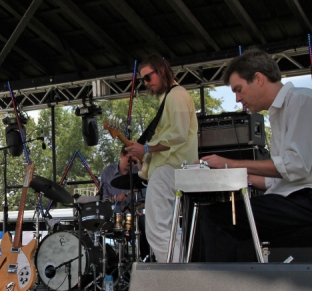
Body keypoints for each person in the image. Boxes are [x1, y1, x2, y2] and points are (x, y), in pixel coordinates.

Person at [199, 50, 312, 262]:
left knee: (216, 217)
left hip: (305, 199)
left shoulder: (302, 101)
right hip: (293, 196)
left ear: (258, 79)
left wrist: (230, 164)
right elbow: (274, 179)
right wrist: (226, 176)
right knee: (222, 216)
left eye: (239, 89)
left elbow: (296, 165)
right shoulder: (278, 113)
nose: (237, 98)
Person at [125, 54, 199, 262]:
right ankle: (179, 276)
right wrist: (145, 157)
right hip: (167, 167)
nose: (146, 83)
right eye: (143, 80)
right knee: (167, 230)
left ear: (162, 70)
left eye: (148, 77)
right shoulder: (171, 97)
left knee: (158, 229)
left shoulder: (176, 95)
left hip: (170, 168)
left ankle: (176, 280)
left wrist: (146, 148)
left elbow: (178, 135)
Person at [100, 146, 149, 258]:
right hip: (113, 216)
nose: (132, 163)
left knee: (145, 223)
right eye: (129, 159)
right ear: (121, 155)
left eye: (134, 161)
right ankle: (106, 261)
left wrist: (132, 208)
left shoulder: (139, 173)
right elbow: (103, 197)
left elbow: (145, 201)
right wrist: (115, 198)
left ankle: (146, 259)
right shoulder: (108, 172)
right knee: (97, 227)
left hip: (134, 216)